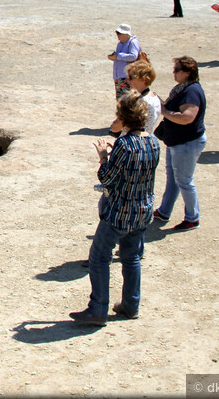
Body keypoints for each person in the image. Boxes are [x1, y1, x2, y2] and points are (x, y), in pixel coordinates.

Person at [71, 91, 160, 326]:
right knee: (131, 257)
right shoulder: (152, 141)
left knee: (99, 257)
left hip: (120, 211)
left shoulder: (125, 144)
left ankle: (97, 310)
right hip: (143, 210)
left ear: (124, 117)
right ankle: (131, 305)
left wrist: (103, 157)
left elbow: (107, 178)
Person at [152, 56, 206, 231]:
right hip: (177, 142)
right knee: (174, 179)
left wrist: (165, 111)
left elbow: (187, 118)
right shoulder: (183, 88)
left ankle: (193, 218)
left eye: (177, 70)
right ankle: (164, 211)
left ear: (188, 72)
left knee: (184, 181)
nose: (173, 72)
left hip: (186, 143)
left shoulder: (191, 92)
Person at [109, 60, 161, 136]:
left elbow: (116, 127)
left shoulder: (139, 102)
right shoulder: (155, 98)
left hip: (130, 143)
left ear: (143, 80)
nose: (127, 79)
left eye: (131, 77)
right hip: (146, 141)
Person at [107, 24, 141, 100]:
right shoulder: (119, 44)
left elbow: (133, 56)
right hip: (119, 76)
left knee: (129, 100)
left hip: (128, 76)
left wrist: (118, 56)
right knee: (120, 100)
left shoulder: (133, 42)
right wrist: (113, 57)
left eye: (119, 34)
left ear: (126, 34)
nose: (118, 36)